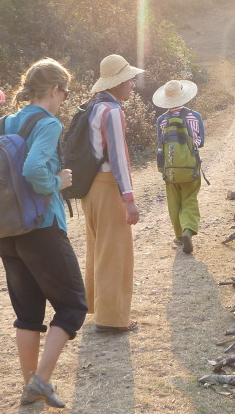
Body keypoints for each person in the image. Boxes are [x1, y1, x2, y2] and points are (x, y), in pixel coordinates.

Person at [0, 58, 86, 408]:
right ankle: (41, 380)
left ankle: (30, 386)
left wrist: (4, 192)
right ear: (55, 89)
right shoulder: (48, 123)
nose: (64, 99)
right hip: (41, 230)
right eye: (65, 92)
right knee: (73, 307)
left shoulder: (0, 123)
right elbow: (33, 169)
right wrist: (56, 183)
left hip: (7, 232)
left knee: (28, 314)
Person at [83, 54, 144, 331]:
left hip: (89, 188)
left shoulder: (90, 106)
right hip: (108, 187)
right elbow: (119, 158)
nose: (133, 83)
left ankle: (99, 308)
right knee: (115, 252)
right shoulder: (113, 112)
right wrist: (129, 199)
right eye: (129, 78)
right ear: (117, 83)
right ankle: (112, 319)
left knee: (98, 248)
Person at [152, 79, 205, 254]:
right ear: (184, 95)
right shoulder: (194, 116)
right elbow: (200, 142)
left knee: (174, 202)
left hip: (170, 168)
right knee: (190, 198)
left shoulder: (161, 120)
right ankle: (188, 230)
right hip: (190, 167)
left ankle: (178, 235)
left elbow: (161, 144)